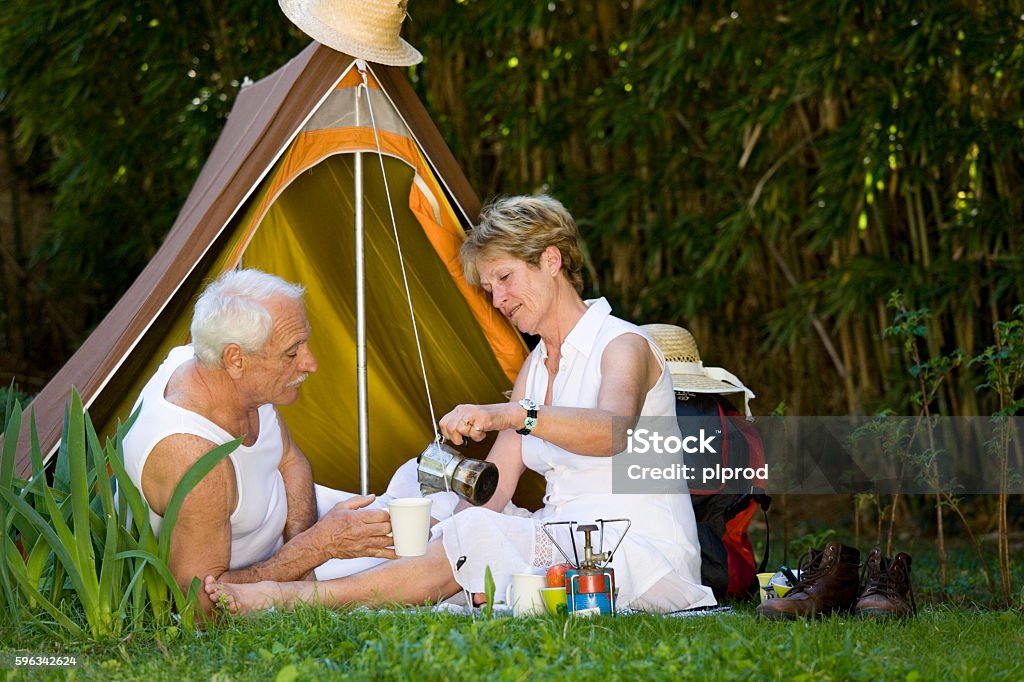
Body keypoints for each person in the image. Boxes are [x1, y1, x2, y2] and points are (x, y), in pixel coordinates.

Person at [205, 195, 716, 613]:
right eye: (489, 287)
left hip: (636, 556)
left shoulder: (621, 344)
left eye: (505, 278)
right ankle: (299, 566)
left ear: (552, 260)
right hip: (563, 542)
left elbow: (612, 432)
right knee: (431, 495)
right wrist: (431, 520)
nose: (498, 299)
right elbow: (495, 489)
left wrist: (514, 415)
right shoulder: (536, 368)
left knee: (473, 531)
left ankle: (293, 599)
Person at [122, 269, 397, 616]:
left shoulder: (217, 369)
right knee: (437, 561)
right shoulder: (194, 458)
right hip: (263, 581)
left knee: (440, 521)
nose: (310, 363)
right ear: (235, 359)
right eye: (291, 353)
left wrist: (303, 544)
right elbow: (199, 607)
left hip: (297, 546)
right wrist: (314, 550)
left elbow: (290, 461)